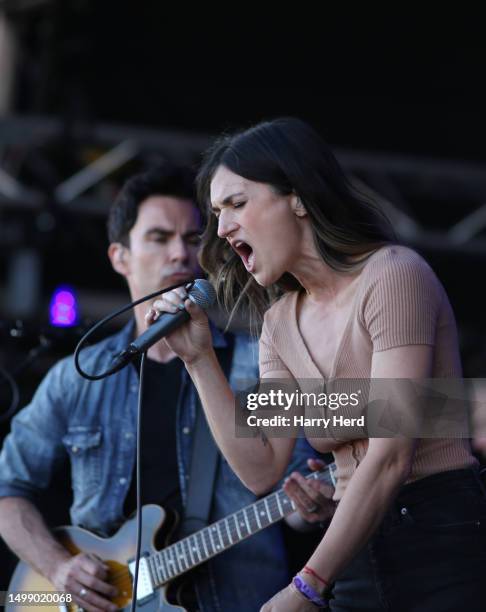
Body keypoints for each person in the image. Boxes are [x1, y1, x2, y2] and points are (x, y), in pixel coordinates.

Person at [149, 118, 486, 611]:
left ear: (299, 196)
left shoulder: (392, 276)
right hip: (352, 547)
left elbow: (392, 455)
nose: (222, 229)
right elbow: (262, 467)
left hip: (435, 534)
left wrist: (307, 585)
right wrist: (199, 360)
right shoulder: (280, 323)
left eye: (237, 204)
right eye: (218, 212)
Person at [0, 164, 326, 612]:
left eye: (194, 240)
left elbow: (293, 495)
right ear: (120, 257)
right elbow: (6, 488)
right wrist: (58, 567)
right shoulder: (80, 377)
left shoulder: (263, 364)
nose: (180, 254)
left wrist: (309, 508)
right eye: (159, 237)